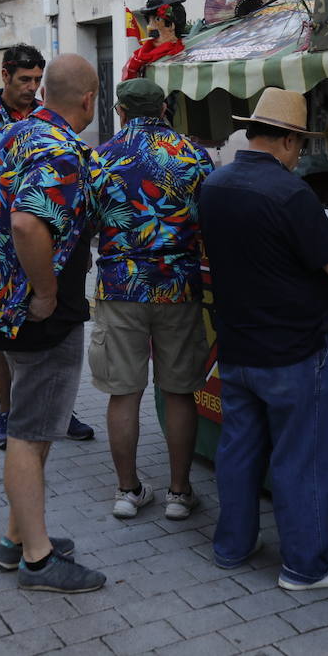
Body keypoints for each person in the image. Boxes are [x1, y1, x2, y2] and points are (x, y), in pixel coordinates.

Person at [199, 87, 328, 591]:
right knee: (302, 460)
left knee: (239, 450)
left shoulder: (216, 184)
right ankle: (305, 567)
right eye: (299, 146)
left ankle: (233, 545)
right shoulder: (290, 193)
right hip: (291, 351)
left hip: (236, 345)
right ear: (290, 142)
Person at [0, 54, 104, 593]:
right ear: (87, 99)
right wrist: (44, 291)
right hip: (42, 307)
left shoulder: (13, 134)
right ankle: (39, 561)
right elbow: (25, 223)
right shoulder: (62, 150)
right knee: (29, 432)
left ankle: (16, 539)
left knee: (34, 423)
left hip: (5, 300)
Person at [0, 44, 94, 448]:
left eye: (37, 81)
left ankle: (57, 410)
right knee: (0, 339)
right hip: (2, 262)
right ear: (6, 75)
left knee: (48, 354)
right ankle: (7, 412)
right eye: (24, 80)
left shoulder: (44, 119)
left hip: (44, 255)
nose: (31, 88)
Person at [89, 78, 214, 520]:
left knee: (123, 392)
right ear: (165, 108)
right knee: (179, 391)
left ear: (120, 110)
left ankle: (128, 491)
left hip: (120, 287)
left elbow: (87, 226)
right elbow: (210, 223)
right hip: (178, 287)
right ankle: (179, 494)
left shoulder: (100, 158)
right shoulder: (193, 155)